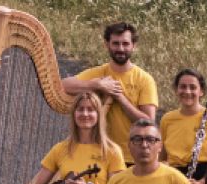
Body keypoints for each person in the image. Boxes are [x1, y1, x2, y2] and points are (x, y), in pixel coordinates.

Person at [61, 22, 157, 165]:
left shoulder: (144, 79)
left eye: (125, 44)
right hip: (100, 155)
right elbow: (63, 85)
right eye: (116, 43)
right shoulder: (99, 73)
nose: (120, 48)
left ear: (134, 46)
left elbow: (148, 122)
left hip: (132, 158)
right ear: (107, 44)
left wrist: (120, 98)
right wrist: (97, 85)